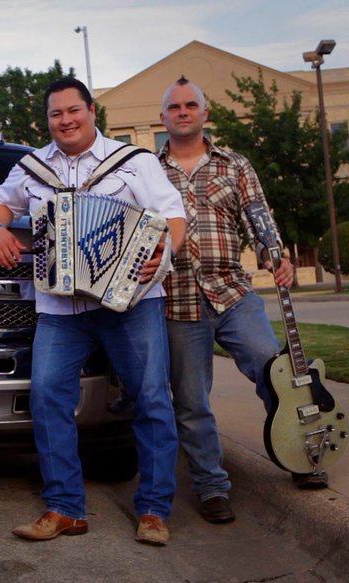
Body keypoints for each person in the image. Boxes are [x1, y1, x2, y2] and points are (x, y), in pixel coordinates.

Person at [0, 77, 186, 546]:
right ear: (48, 120)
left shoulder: (133, 163)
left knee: (152, 399)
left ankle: (154, 511)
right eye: (56, 114)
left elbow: (173, 216)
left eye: (73, 110)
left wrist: (163, 250)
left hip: (131, 302)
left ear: (92, 111)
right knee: (47, 397)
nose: (66, 120)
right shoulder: (34, 168)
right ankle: (65, 508)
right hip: (61, 306)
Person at [157, 76, 317, 527]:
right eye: (175, 106)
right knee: (190, 401)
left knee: (275, 371)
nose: (183, 111)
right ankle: (211, 487)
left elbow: (260, 217)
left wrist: (275, 254)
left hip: (234, 292)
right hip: (177, 301)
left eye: (192, 104)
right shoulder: (149, 169)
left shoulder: (235, 165)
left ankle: (303, 457)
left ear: (205, 114)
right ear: (163, 118)